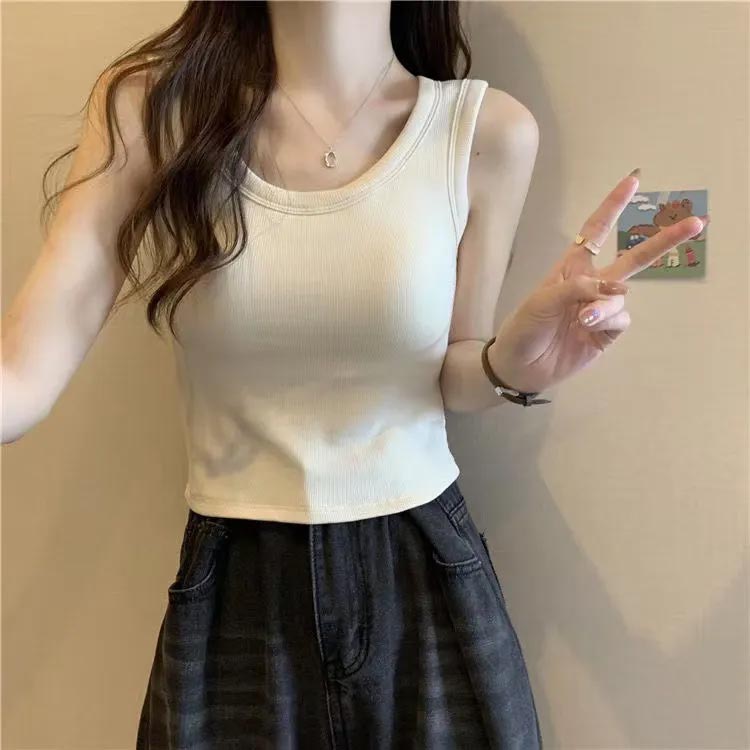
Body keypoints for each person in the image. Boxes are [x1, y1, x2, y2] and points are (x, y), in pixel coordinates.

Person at [0, 2, 709, 748]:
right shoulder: (155, 111)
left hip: (423, 566)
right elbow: (20, 372)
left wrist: (511, 364)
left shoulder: (485, 131)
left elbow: (455, 372)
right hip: (237, 581)